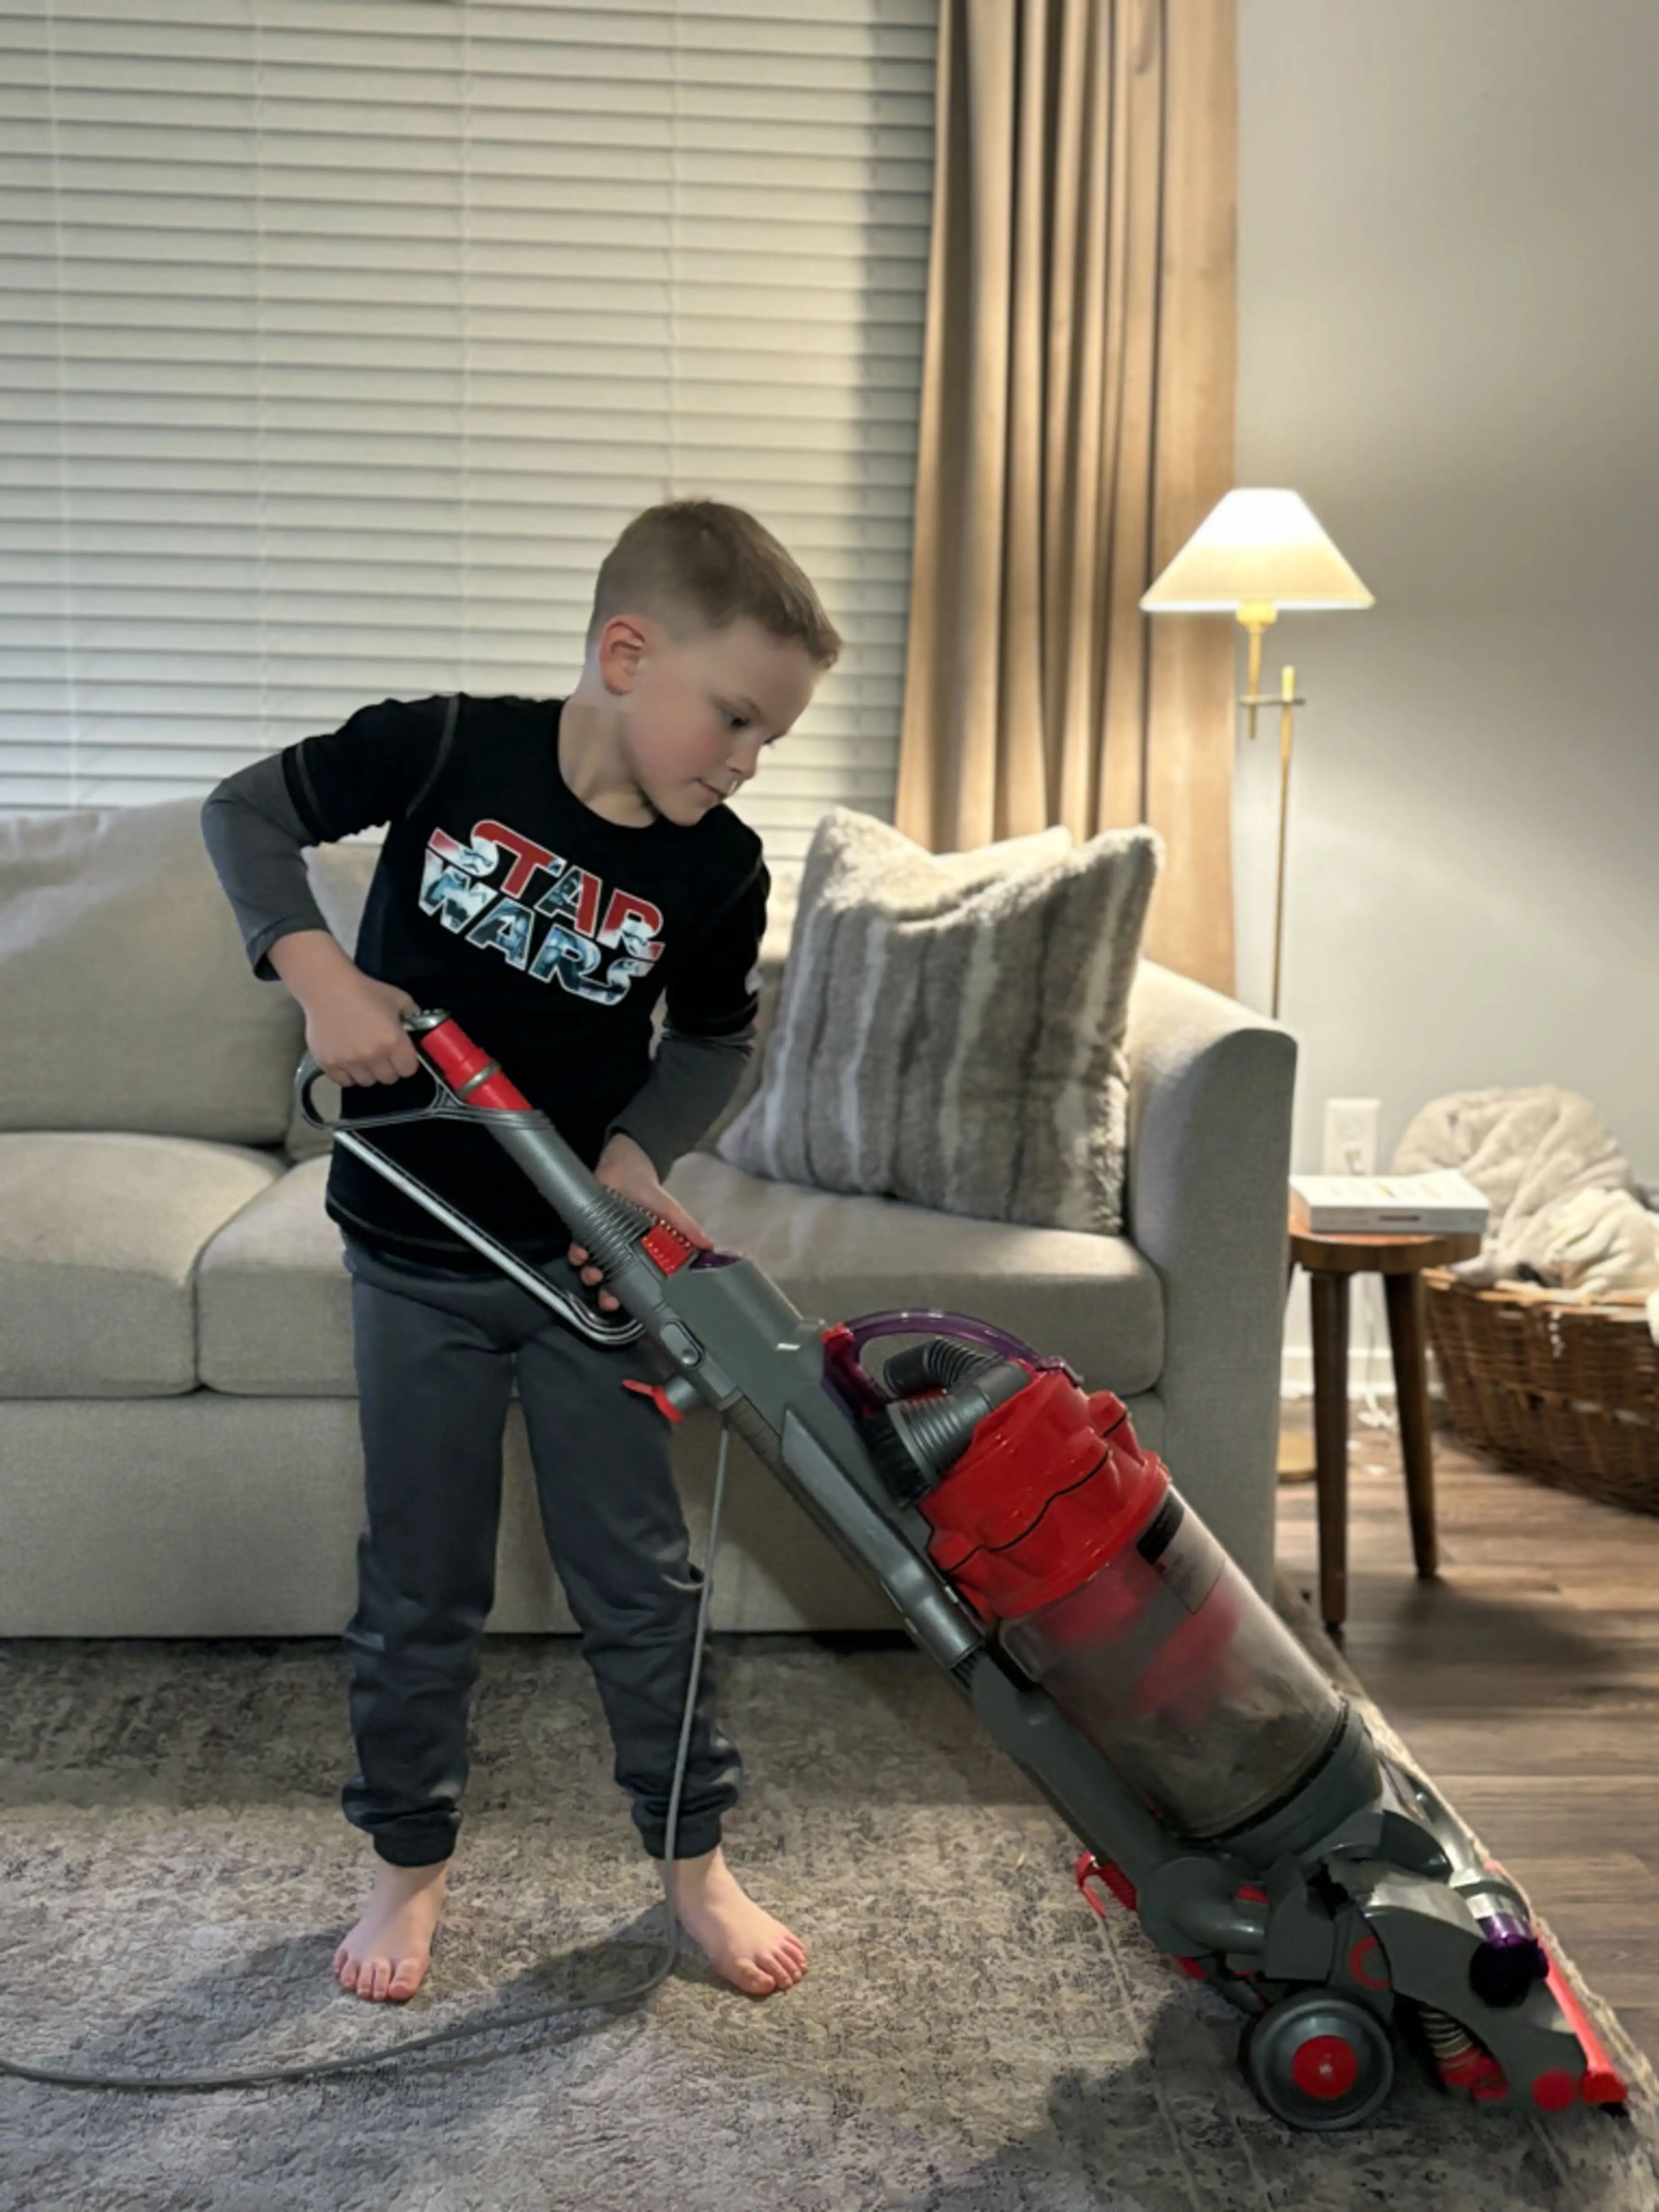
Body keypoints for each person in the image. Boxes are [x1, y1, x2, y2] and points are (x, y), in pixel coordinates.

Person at [202, 499, 840, 2005]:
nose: (747, 760)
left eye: (769, 738)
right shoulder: (444, 750)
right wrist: (322, 977)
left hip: (582, 1275)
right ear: (626, 654)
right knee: (419, 1582)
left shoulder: (719, 868)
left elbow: (711, 1044)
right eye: (734, 719)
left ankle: (692, 1863)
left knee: (642, 1580)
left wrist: (632, 1160)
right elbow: (244, 814)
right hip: (411, 1251)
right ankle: (405, 1867)